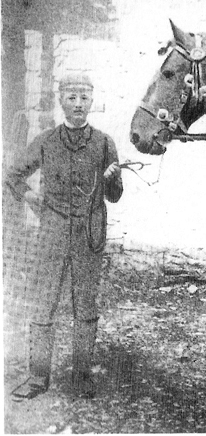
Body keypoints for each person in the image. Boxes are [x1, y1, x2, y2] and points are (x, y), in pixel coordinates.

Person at [4, 72, 123, 400]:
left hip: (89, 236)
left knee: (85, 306)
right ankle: (37, 377)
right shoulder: (45, 140)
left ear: (92, 101)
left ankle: (82, 377)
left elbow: (114, 196)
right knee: (44, 304)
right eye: (72, 97)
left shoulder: (104, 143)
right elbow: (13, 174)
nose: (79, 104)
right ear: (61, 100)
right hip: (52, 234)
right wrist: (28, 195)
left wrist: (113, 177)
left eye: (85, 97)